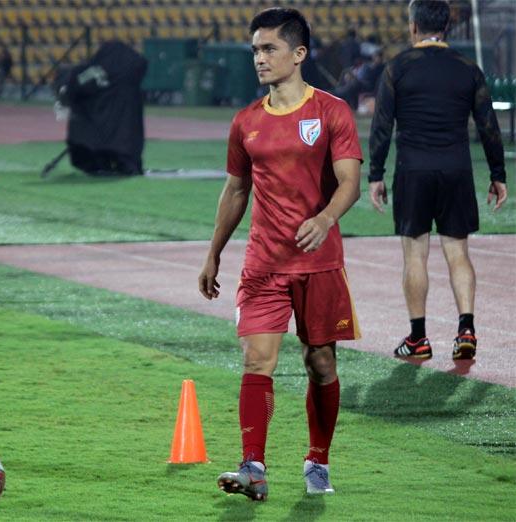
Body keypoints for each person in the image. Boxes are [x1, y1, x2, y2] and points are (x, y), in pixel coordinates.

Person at [198, 7, 362, 500]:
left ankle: (318, 460)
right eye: (255, 50)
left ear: (299, 54)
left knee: (321, 364)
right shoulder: (245, 121)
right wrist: (213, 254)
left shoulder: (332, 112)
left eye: (269, 49)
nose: (260, 59)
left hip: (319, 264)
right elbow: (234, 191)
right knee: (257, 360)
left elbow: (350, 182)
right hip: (264, 264)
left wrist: (325, 218)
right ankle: (253, 467)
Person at [369, 0, 507, 361]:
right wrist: (498, 175)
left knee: (415, 253)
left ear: (413, 25)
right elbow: (488, 127)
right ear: (446, 26)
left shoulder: (397, 68)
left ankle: (418, 338)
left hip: (413, 172)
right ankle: (466, 330)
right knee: (458, 252)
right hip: (456, 170)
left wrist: (375, 175)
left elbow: (381, 127)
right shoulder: (468, 68)